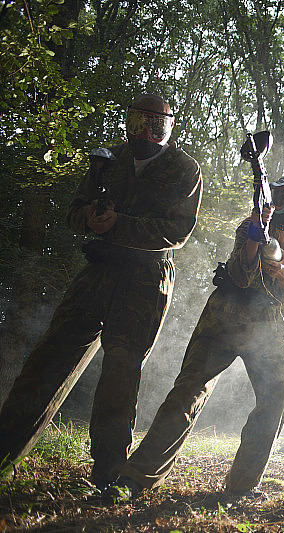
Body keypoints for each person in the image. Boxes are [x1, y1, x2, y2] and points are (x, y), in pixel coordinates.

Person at [0, 94, 203, 492]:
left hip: (145, 279)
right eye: (137, 121)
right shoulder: (108, 159)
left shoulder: (184, 169)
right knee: (49, 357)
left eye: (156, 125)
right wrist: (89, 219)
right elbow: (74, 210)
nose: (145, 131)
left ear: (170, 127)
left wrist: (118, 224)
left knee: (120, 373)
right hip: (100, 269)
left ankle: (109, 475)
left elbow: (176, 232)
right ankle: (5, 452)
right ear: (127, 122)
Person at [109, 174, 284, 498]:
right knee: (187, 393)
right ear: (269, 201)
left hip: (268, 330)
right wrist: (253, 236)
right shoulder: (250, 227)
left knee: (277, 402)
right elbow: (239, 277)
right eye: (282, 197)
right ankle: (135, 478)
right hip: (223, 321)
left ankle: (242, 487)